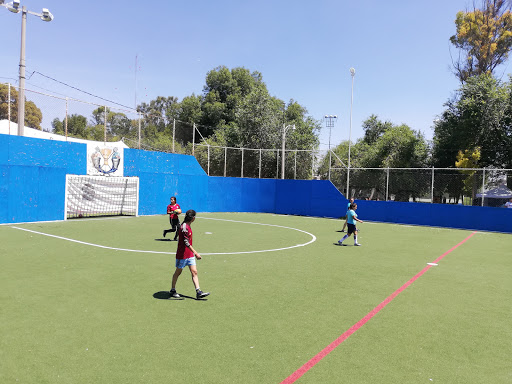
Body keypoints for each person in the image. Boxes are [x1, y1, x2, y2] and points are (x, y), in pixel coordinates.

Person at [170, 209, 210, 299]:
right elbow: (186, 242)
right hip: (182, 255)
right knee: (178, 272)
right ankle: (173, 290)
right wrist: (196, 253)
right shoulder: (184, 227)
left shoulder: (188, 225)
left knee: (194, 272)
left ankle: (198, 292)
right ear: (193, 218)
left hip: (189, 254)